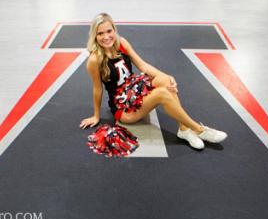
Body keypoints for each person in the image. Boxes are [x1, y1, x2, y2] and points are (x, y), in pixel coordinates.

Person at [79, 13, 227, 154]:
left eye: (109, 31)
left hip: (134, 89)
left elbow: (143, 66)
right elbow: (97, 89)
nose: (106, 37)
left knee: (166, 81)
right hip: (122, 107)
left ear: (114, 29)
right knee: (163, 93)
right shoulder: (94, 60)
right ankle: (199, 129)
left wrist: (167, 76)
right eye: (100, 33)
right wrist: (96, 115)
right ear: (94, 36)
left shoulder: (121, 43)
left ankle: (183, 129)